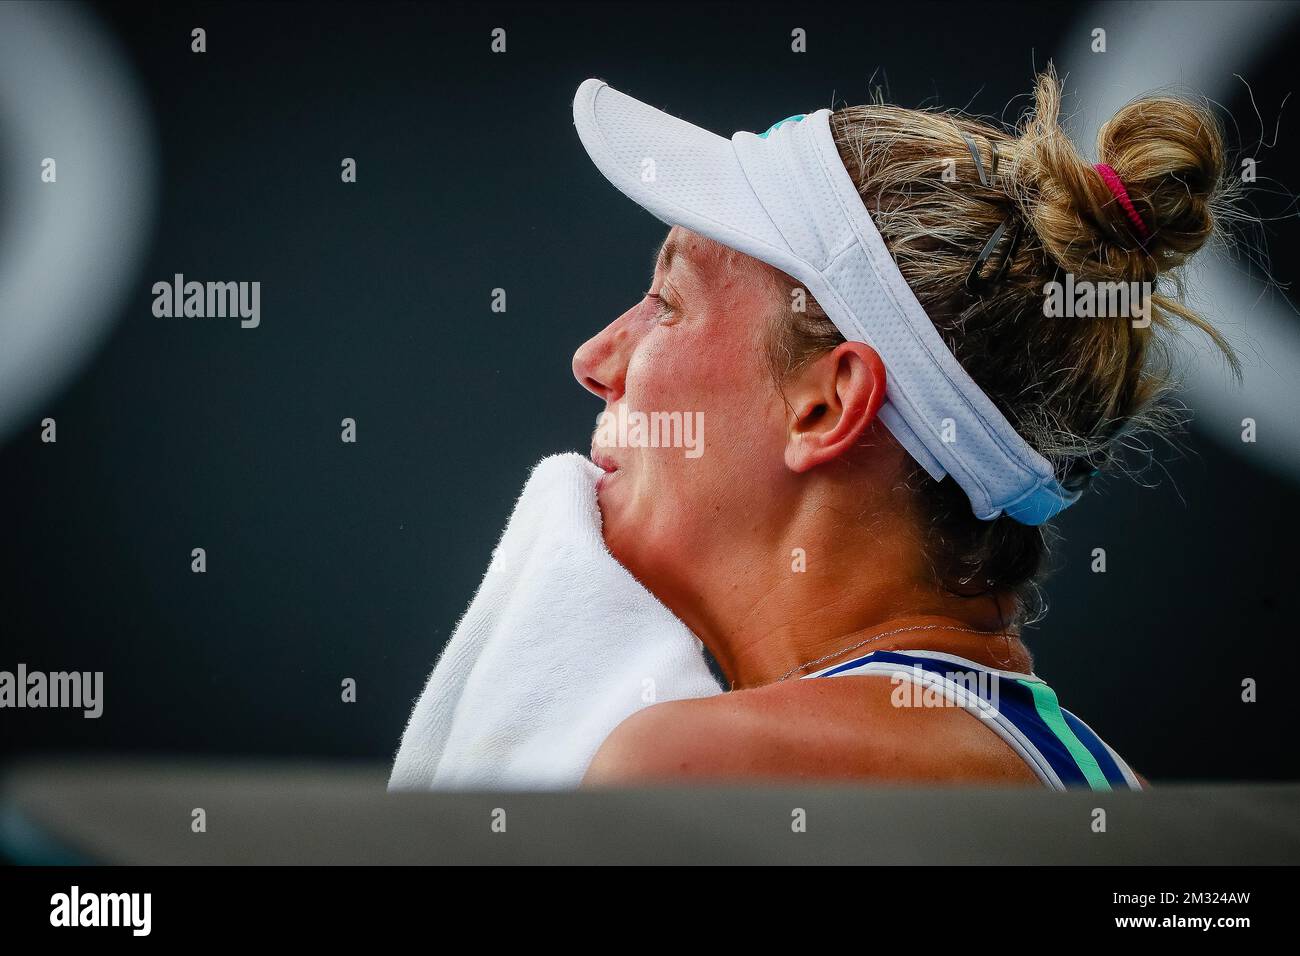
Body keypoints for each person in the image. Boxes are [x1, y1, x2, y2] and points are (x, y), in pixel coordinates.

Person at [568, 67, 1236, 789]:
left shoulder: (694, 765)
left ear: (827, 405)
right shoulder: (1111, 789)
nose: (594, 359)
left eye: (667, 302)